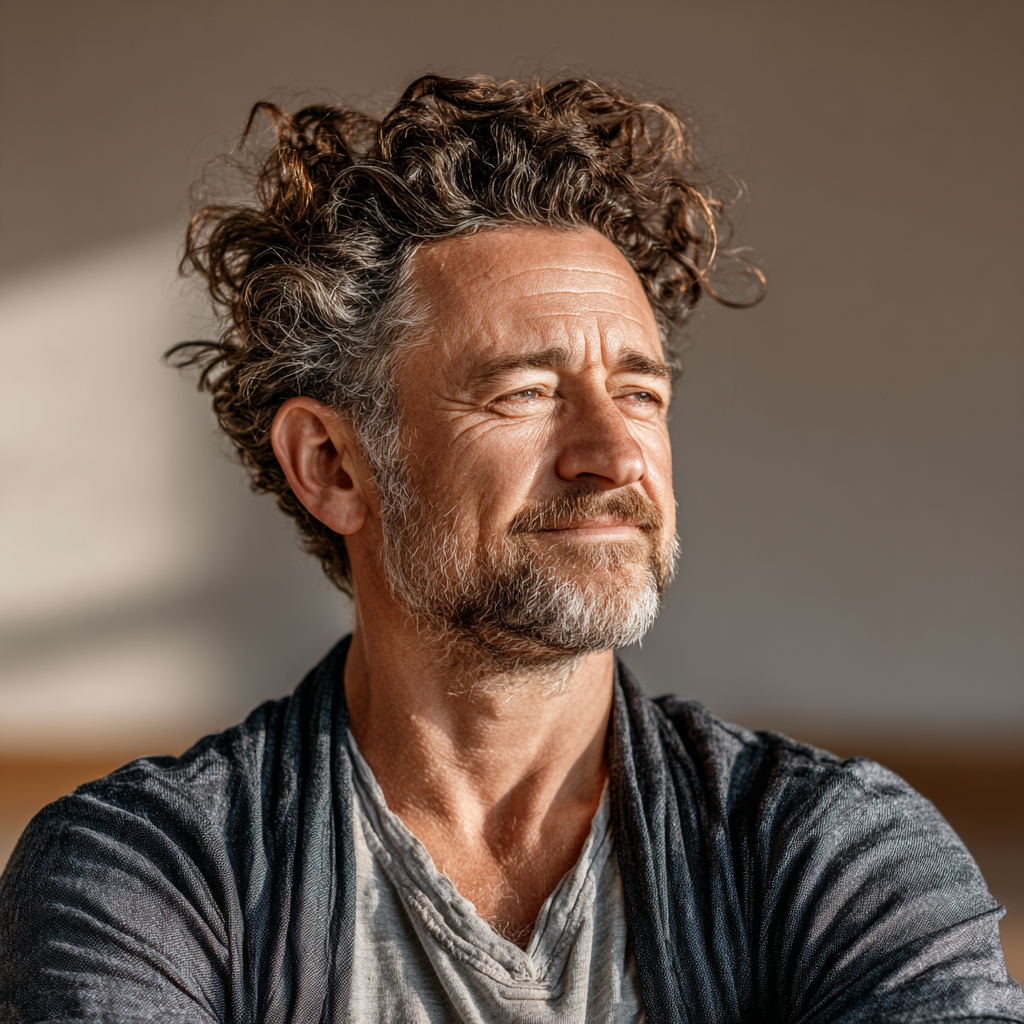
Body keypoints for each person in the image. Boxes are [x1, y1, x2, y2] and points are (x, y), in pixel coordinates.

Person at [0, 74, 1020, 1024]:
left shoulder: (832, 850)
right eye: (524, 391)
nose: (614, 452)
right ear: (331, 464)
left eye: (639, 392)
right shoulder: (148, 871)